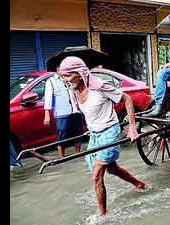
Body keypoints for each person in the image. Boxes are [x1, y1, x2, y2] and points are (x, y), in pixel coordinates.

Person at [58, 56, 147, 216]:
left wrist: (132, 128)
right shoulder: (74, 90)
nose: (64, 80)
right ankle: (139, 184)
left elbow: (127, 99)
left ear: (79, 74)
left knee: (96, 177)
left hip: (109, 133)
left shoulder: (99, 87)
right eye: (62, 76)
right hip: (94, 135)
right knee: (112, 169)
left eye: (67, 76)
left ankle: (103, 216)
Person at [44, 67, 83, 158]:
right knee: (62, 133)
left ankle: (78, 153)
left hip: (76, 110)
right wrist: (47, 114)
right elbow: (48, 99)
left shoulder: (71, 78)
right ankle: (62, 156)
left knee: (78, 132)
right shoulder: (51, 81)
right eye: (61, 68)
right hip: (62, 112)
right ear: (56, 69)